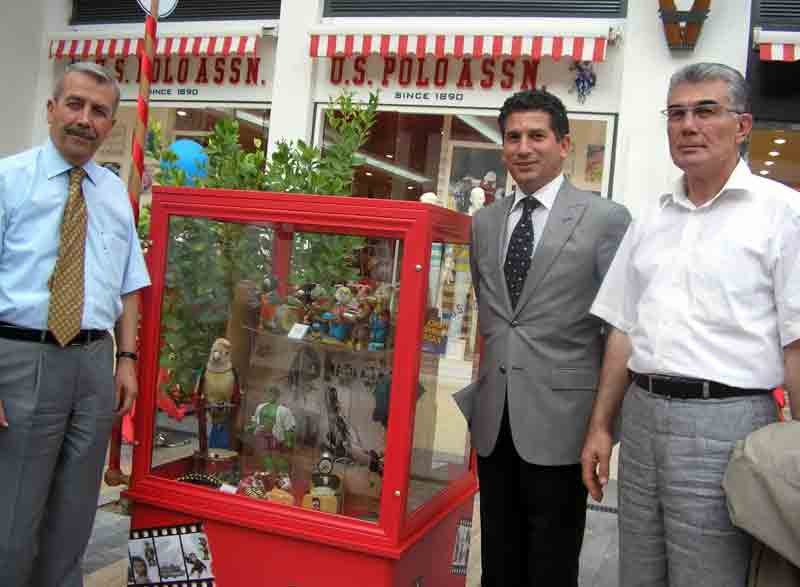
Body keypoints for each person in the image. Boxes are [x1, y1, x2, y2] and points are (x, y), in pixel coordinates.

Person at [581, 62, 800, 587]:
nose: (688, 125)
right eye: (676, 114)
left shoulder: (782, 214)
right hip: (642, 415)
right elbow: (623, 330)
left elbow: (797, 343)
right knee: (637, 571)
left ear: (742, 126)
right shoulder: (652, 218)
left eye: (706, 111)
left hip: (727, 422)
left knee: (710, 576)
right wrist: (600, 426)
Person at [465, 89, 631, 586]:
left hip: (564, 424)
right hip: (496, 421)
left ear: (563, 145)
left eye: (536, 136)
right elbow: (494, 315)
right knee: (498, 554)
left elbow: (620, 327)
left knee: (552, 562)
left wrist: (603, 425)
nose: (523, 148)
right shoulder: (485, 222)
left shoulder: (605, 219)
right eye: (513, 137)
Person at [0, 61, 150, 586]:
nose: (85, 119)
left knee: (75, 517)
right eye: (75, 104)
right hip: (22, 359)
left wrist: (126, 360)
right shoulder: (8, 180)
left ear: (111, 124)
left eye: (100, 111)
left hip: (94, 365)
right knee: (13, 521)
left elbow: (131, 281)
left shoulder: (113, 194)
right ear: (51, 110)